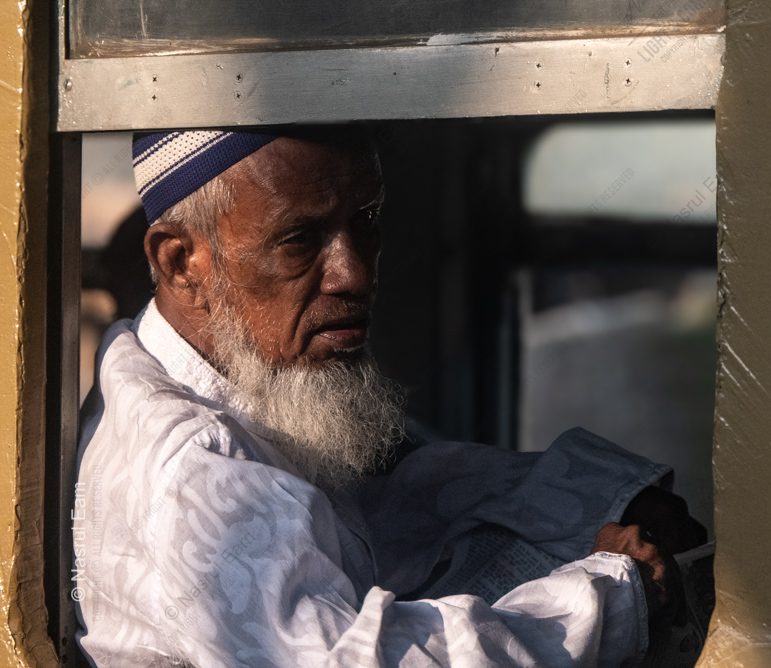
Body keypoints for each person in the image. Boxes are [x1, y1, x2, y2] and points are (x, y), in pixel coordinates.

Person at [72, 128, 705, 667]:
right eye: (299, 240)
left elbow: (389, 499)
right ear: (183, 262)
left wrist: (606, 499)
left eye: (365, 223)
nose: (356, 274)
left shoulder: (191, 372)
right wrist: (609, 594)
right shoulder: (199, 469)